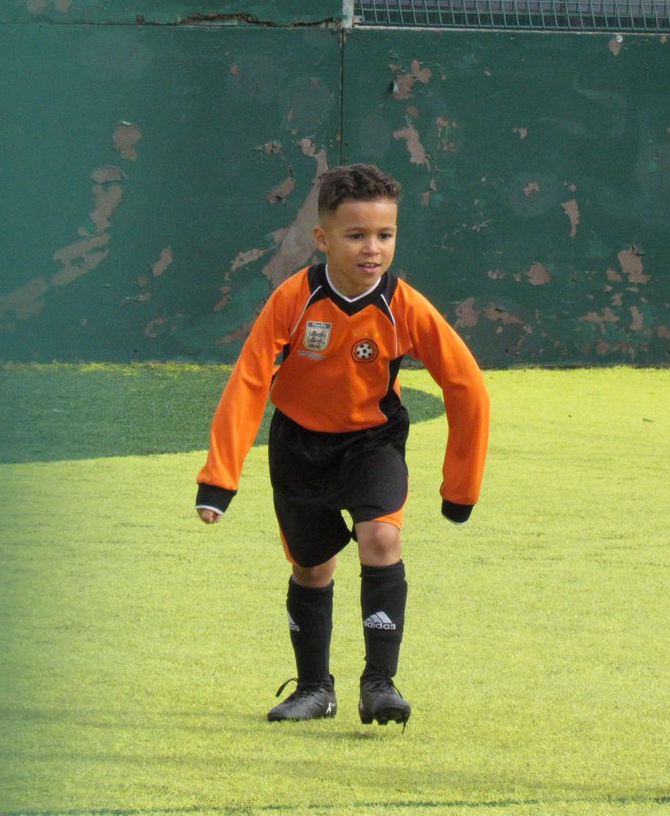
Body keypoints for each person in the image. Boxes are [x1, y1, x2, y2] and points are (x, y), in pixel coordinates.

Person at [195, 163, 490, 728]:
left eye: (385, 235)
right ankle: (313, 689)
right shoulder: (293, 299)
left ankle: (380, 684)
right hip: (299, 447)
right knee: (312, 568)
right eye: (356, 235)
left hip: (372, 445)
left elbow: (467, 386)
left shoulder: (404, 305)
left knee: (380, 538)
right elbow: (250, 380)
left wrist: (461, 488)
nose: (372, 248)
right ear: (323, 238)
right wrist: (219, 478)